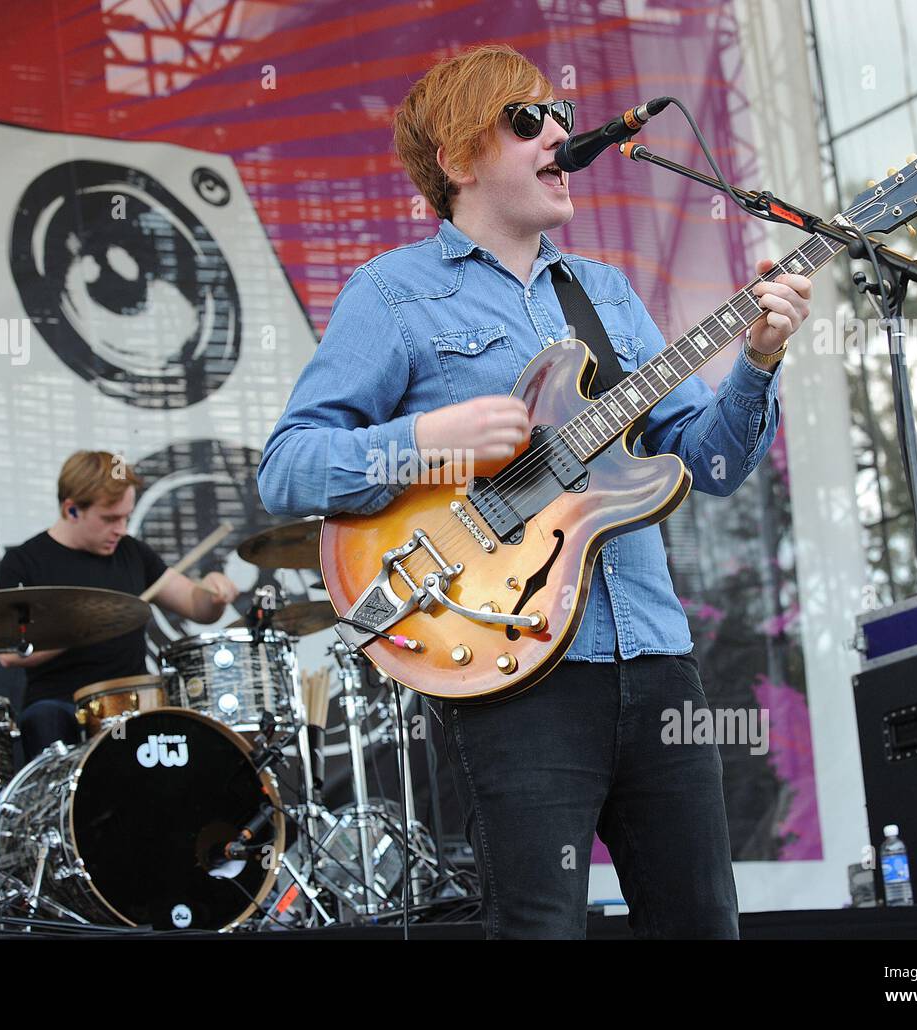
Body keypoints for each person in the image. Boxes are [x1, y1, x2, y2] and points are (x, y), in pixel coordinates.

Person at [257, 45, 812, 939]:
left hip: (657, 660)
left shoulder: (606, 295)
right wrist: (429, 443)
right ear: (457, 157)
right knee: (541, 925)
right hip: (509, 669)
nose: (558, 132)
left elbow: (709, 466)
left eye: (556, 116)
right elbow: (287, 468)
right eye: (527, 121)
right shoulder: (393, 295)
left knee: (702, 921)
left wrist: (758, 361)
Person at [0, 451, 240, 757]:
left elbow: (195, 605)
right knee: (44, 720)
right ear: (71, 510)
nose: (121, 528)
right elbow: (8, 653)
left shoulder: (133, 553)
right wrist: (84, 628)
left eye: (126, 516)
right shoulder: (25, 562)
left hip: (133, 701)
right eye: (110, 518)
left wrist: (212, 592)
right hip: (61, 704)